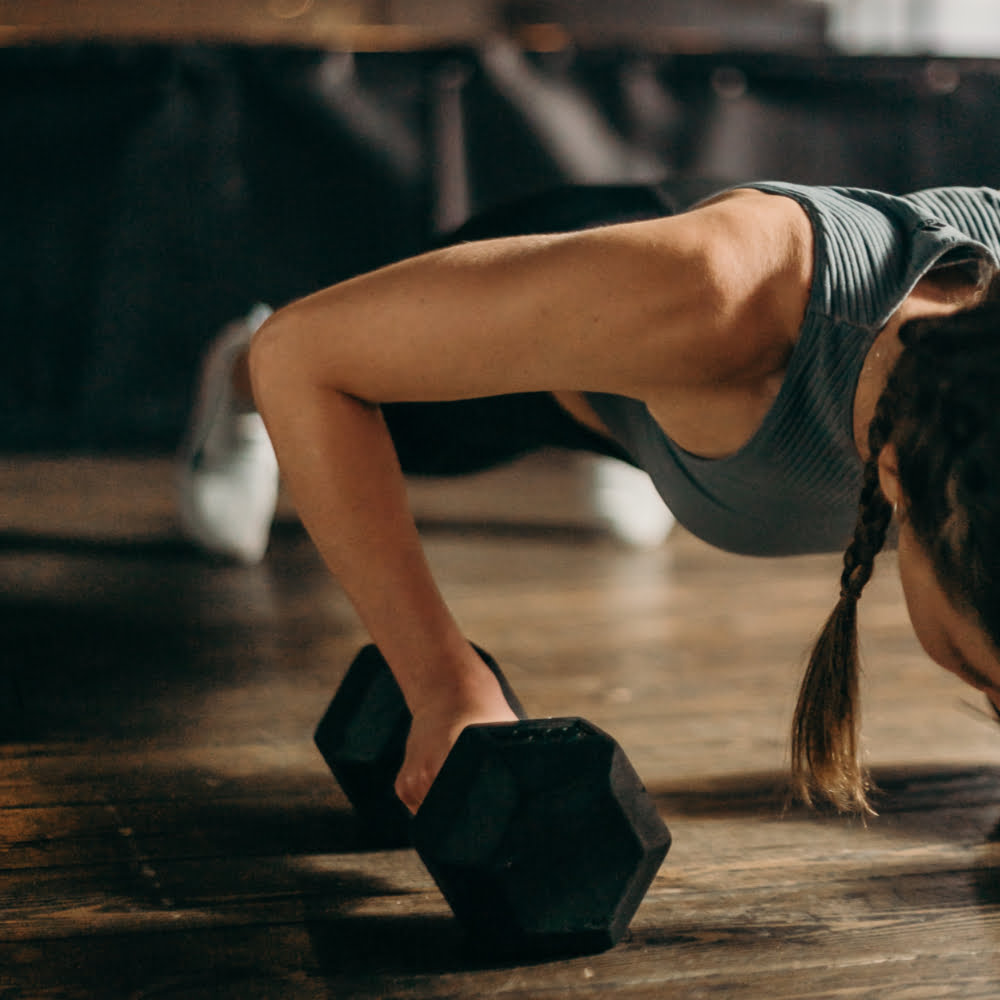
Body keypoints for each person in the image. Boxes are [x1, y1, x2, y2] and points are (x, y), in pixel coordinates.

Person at [204, 179, 1000, 817]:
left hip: (680, 368)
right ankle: (227, 374)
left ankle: (647, 437)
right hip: (616, 288)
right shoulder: (721, 300)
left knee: (672, 383)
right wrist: (442, 683)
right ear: (897, 477)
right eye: (989, 684)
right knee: (327, 377)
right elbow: (305, 355)